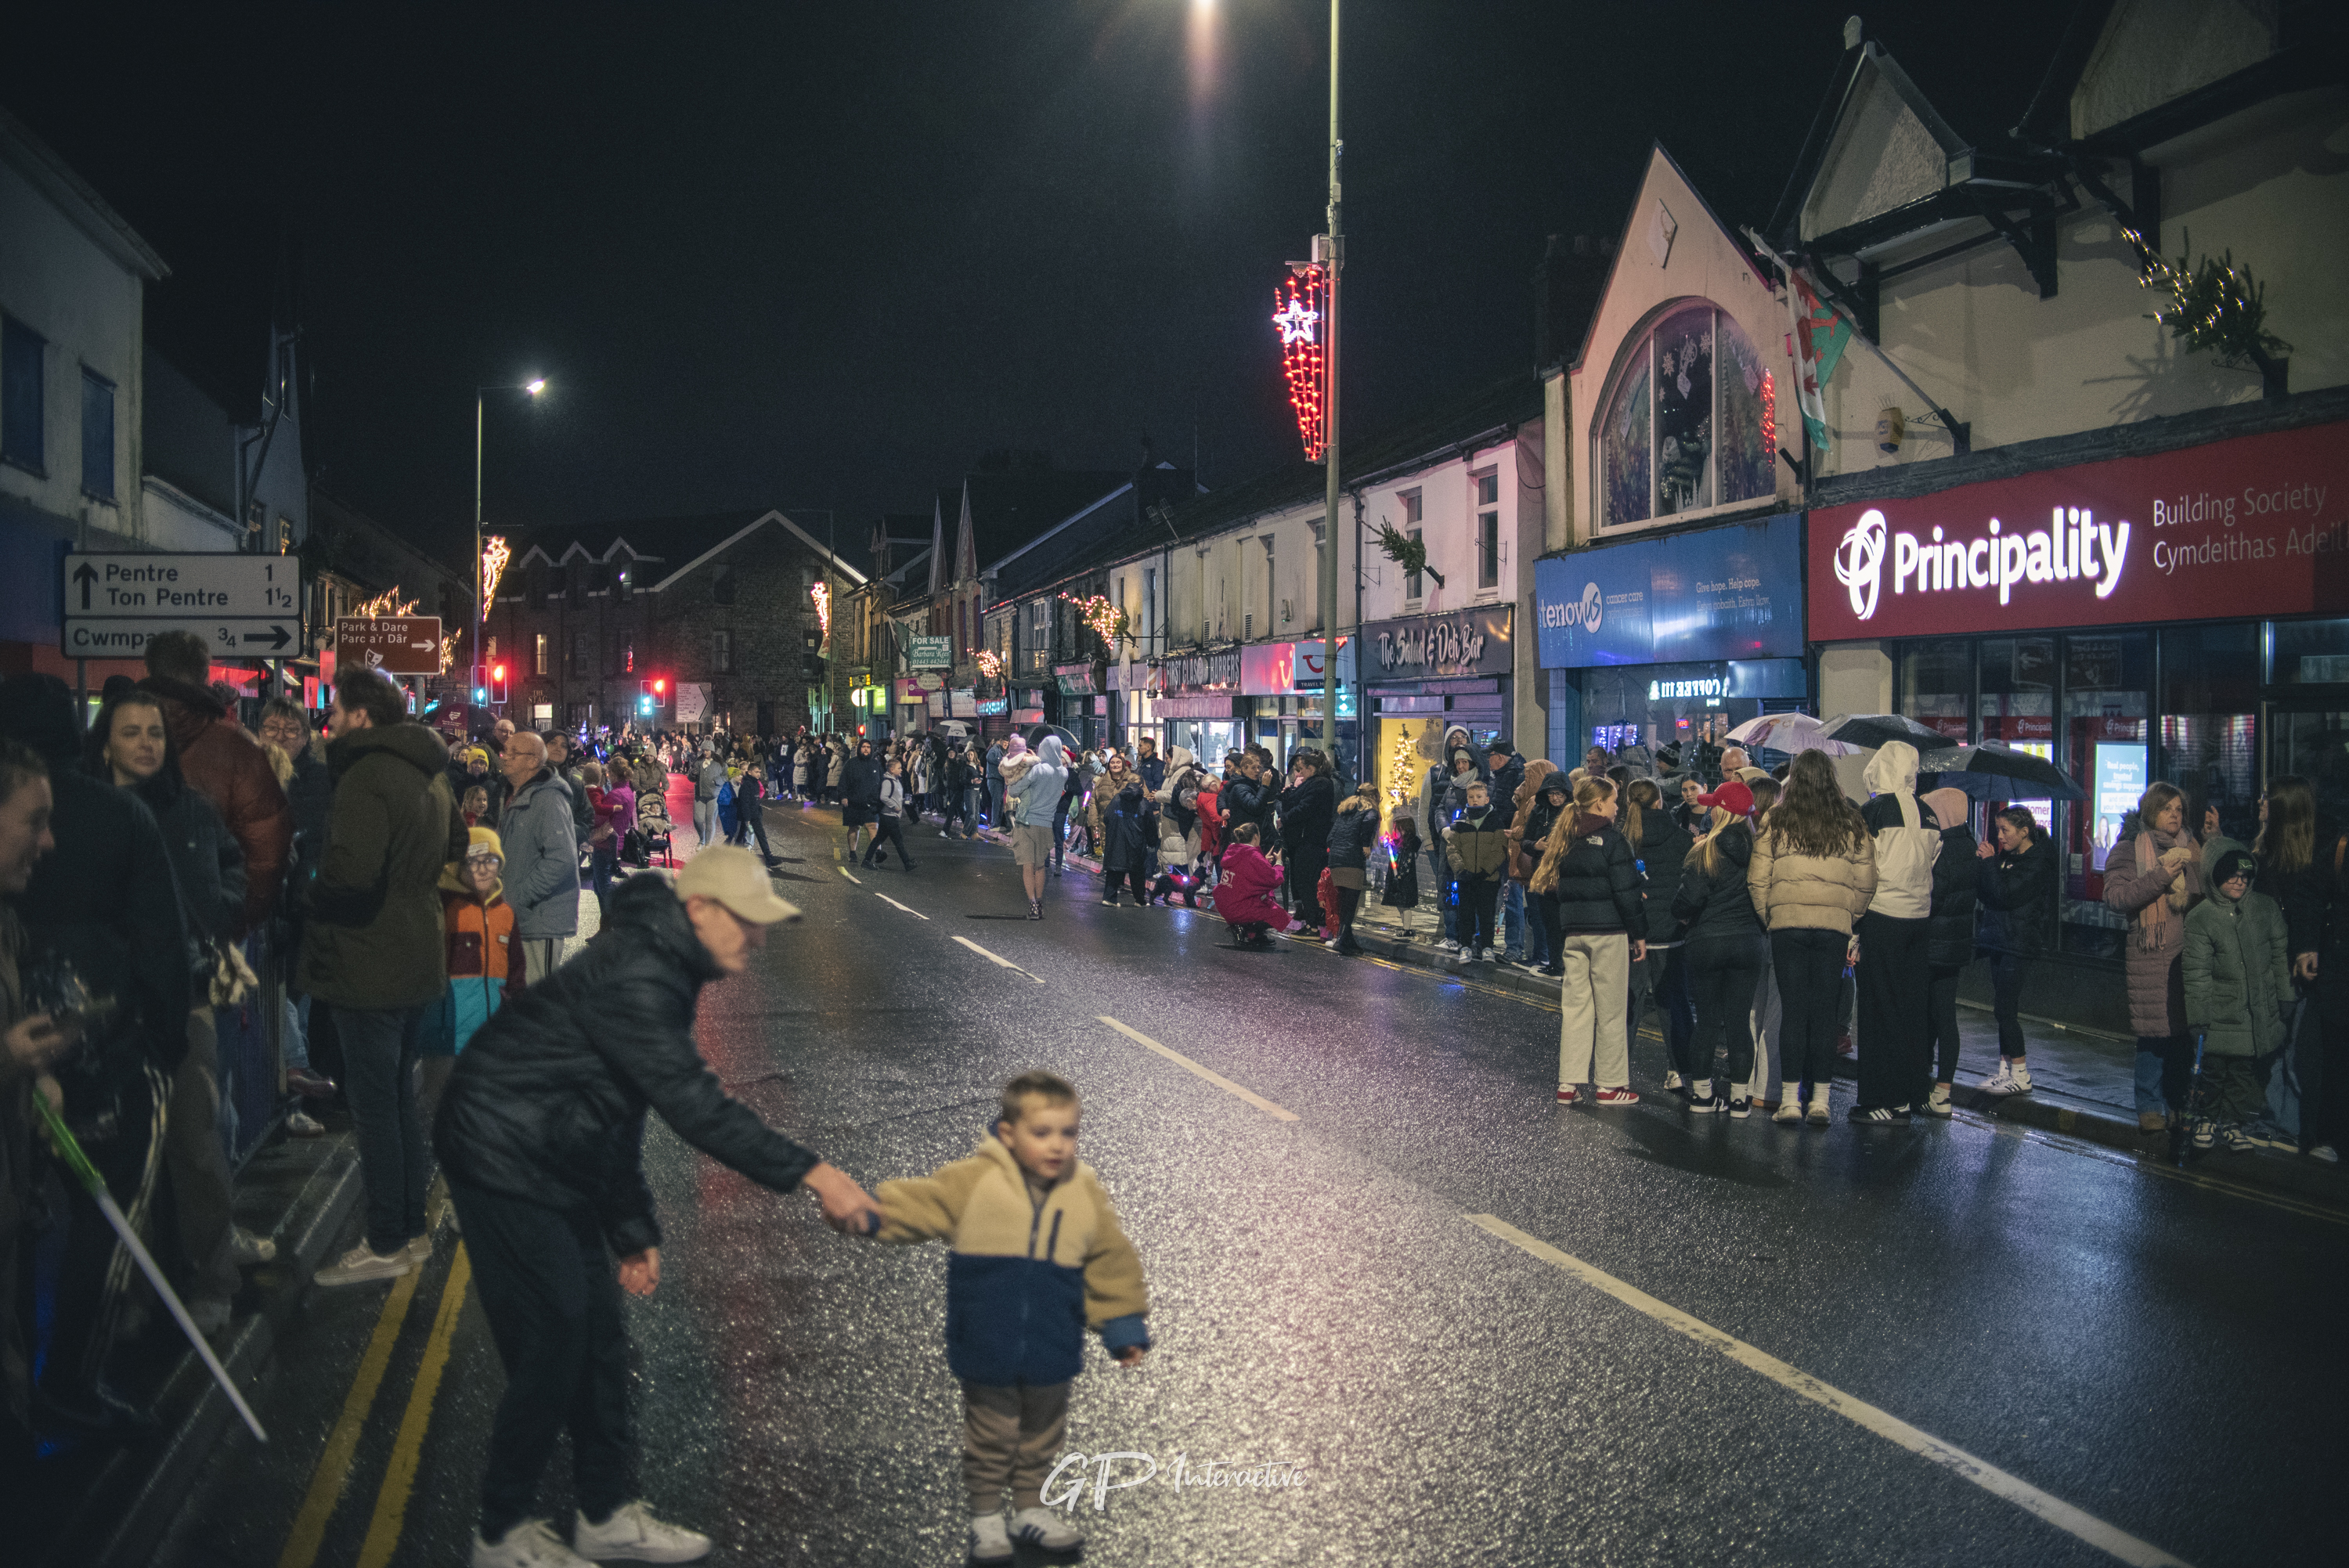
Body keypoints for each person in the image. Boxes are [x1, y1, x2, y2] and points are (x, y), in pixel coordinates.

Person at [435, 846, 880, 1568]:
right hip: (500, 1152)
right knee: (556, 1336)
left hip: (557, 1148)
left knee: (601, 1338)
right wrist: (818, 1174)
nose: (759, 937)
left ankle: (606, 1515)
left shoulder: (663, 960)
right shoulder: (641, 972)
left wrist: (630, 1227)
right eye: (747, 920)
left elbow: (614, 1107)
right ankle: (500, 1531)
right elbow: (694, 1106)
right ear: (698, 909)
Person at [871, 1069, 1147, 1563]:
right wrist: (867, 1213)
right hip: (987, 1339)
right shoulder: (974, 1181)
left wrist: (1122, 1325)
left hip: (1053, 1342)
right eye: (1042, 1133)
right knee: (991, 1437)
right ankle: (985, 1517)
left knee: (1041, 1437)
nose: (1057, 1145)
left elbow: (1111, 1260)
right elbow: (920, 1204)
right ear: (1008, 1134)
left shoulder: (1083, 1190)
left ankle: (1030, 1510)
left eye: (1068, 1132)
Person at [90, 691, 270, 1333]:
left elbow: (232, 863)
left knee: (195, 1146)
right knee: (129, 1153)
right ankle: (136, 1291)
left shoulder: (189, 806)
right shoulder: (90, 811)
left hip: (187, 996)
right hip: (115, 1005)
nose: (146, 743)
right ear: (105, 742)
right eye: (131, 732)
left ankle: (214, 1280)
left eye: (155, 733)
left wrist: (218, 912)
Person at [305, 668, 467, 1287]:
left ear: (362, 716)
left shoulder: (365, 774)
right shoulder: (430, 772)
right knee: (399, 1098)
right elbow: (456, 842)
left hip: (369, 956)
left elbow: (349, 875)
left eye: (337, 709)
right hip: (417, 948)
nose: (330, 720)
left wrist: (307, 893)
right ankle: (411, 1229)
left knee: (375, 1107)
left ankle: (385, 1239)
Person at [1748, 749, 1878, 1128]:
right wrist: (1848, 916)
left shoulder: (1776, 818)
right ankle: (1820, 1101)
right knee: (1824, 1013)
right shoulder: (1851, 821)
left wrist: (1772, 915)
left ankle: (1789, 1101)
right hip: (1832, 927)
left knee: (1793, 1012)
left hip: (1787, 925)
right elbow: (1867, 880)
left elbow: (1758, 879)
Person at [139, 629, 292, 936]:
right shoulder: (236, 751)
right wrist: (234, 920)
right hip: (210, 934)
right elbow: (268, 849)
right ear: (205, 675)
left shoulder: (116, 742)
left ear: (150, 668)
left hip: (134, 934)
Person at [1533, 774, 1645, 1105]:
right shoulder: (1613, 840)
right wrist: (1639, 933)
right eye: (1613, 802)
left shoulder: (1565, 837)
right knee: (1611, 1011)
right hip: (1608, 932)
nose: (1617, 808)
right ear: (1599, 804)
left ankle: (1568, 1084)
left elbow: (1556, 889)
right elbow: (1626, 893)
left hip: (1574, 933)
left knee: (1576, 1009)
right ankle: (1609, 1086)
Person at [2105, 781, 2206, 1134]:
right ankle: (2149, 1104)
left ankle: (2176, 1103)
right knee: (2154, 1034)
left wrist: (2213, 841)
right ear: (2151, 811)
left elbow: (2208, 891)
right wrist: (2161, 876)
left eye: (2179, 809)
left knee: (2181, 1035)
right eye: (2167, 809)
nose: (2175, 815)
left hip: (2188, 954)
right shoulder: (2130, 849)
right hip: (2151, 954)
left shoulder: (2192, 847)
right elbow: (2116, 897)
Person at [1849, 741, 1940, 1123]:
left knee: (1876, 1010)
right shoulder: (1929, 813)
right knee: (1911, 1009)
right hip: (1919, 919)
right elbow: (1933, 861)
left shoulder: (1873, 811)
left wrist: (1854, 925)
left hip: (1882, 916)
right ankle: (1911, 1093)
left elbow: (1860, 867)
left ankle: (1879, 1099)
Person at [2183, 847, 2292, 1153]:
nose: (2239, 882)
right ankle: (2207, 1120)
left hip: (2253, 1013)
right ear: (2217, 877)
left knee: (2243, 1074)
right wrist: (2198, 1017)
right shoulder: (2202, 917)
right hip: (2220, 1013)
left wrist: (2285, 996)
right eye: (2233, 876)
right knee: (2214, 1072)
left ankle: (2232, 1123)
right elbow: (2197, 974)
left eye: (2245, 876)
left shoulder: (2265, 909)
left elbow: (2279, 958)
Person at [1672, 781, 1766, 1115]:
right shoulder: (1760, 851)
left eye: (1714, 805)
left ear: (1722, 812)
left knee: (1708, 1021)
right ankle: (1740, 1099)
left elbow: (1688, 900)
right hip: (1748, 942)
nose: (1709, 810)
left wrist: (1680, 914)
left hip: (1708, 941)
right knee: (1739, 1023)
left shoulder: (1706, 850)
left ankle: (1702, 1095)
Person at [1973, 806, 2054, 1100]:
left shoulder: (2037, 862)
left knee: (2005, 1009)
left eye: (2005, 830)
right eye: (1998, 829)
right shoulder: (2006, 857)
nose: (2000, 836)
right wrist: (1984, 865)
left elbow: (2006, 895)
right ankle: (2005, 1071)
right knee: (2001, 1008)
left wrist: (1990, 864)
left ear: (2024, 831)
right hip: (1999, 939)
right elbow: (1988, 893)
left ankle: (2021, 1074)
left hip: (2018, 942)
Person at [1621, 778, 1695, 1092]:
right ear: (1659, 802)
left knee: (1628, 1003)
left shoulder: (1623, 839)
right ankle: (1679, 1070)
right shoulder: (1682, 838)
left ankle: (1617, 1072)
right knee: (1674, 1002)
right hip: (1671, 930)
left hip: (1632, 931)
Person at [1915, 786, 1980, 1117]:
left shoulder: (1946, 848)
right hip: (1954, 945)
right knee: (1942, 1015)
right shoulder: (1969, 845)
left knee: (1932, 1016)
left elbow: (1934, 894)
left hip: (1934, 942)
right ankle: (1938, 1089)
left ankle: (1933, 1088)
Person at [498, 732, 581, 987]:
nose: (505, 757)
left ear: (533, 761)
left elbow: (562, 859)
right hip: (519, 919)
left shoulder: (548, 799)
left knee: (536, 996)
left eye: (513, 753)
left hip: (538, 922)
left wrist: (518, 896)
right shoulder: (514, 795)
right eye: (505, 751)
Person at [1443, 780, 1510, 962]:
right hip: (1465, 878)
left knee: (1487, 914)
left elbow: (1499, 849)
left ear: (1486, 799)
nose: (1475, 800)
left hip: (1488, 879)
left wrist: (1485, 870)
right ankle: (1466, 946)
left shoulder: (1495, 821)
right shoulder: (1460, 822)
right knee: (1465, 914)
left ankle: (1487, 947)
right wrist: (1461, 869)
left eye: (1479, 797)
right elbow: (1452, 848)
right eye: (1471, 797)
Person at [1504, 760, 1557, 970]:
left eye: (1529, 776)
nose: (1524, 781)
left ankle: (1542, 955)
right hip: (1526, 861)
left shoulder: (1536, 801)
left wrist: (1516, 834)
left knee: (1538, 912)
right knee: (1536, 912)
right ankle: (1539, 954)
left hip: (1532, 863)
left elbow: (1529, 830)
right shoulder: (1530, 799)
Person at [1279, 748, 1337, 932]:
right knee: (1304, 882)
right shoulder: (1312, 783)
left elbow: (1304, 809)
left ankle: (1313, 924)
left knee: (1308, 882)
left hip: (1311, 840)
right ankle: (1312, 921)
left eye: (1301, 769)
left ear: (1311, 768)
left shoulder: (1320, 784)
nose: (1299, 773)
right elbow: (1293, 801)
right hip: (1304, 840)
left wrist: (1284, 819)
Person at [1519, 773, 1571, 977]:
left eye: (1559, 794)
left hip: (1566, 874)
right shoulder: (1539, 811)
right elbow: (1525, 841)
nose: (1555, 798)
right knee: (1549, 922)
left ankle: (1567, 966)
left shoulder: (1573, 812)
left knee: (1565, 923)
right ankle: (1555, 964)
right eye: (1551, 794)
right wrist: (1536, 846)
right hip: (1543, 873)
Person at [1324, 781, 1380, 956]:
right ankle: (1343, 940)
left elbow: (1330, 837)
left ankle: (1346, 939)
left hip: (1336, 861)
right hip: (1353, 861)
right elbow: (1370, 821)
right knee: (1351, 903)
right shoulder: (1371, 811)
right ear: (1373, 796)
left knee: (1344, 902)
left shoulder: (1346, 810)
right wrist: (1366, 844)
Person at [1146, 745, 1207, 909]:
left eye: (1168, 758)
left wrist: (1157, 795)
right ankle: (1176, 880)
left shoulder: (1182, 773)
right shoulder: (1171, 773)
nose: (1166, 761)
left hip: (1178, 821)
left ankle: (1190, 884)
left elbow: (1175, 794)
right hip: (1170, 820)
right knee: (1174, 852)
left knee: (1184, 854)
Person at [1093, 763, 1155, 909]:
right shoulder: (1143, 803)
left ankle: (1109, 898)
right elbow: (1150, 824)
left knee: (1115, 869)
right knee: (1137, 872)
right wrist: (1152, 841)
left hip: (1117, 840)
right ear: (1141, 785)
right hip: (1136, 842)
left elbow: (1107, 817)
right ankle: (1140, 900)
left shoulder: (1117, 799)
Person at [1215, 823, 1287, 945]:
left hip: (1224, 904)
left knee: (1261, 900)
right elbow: (1274, 880)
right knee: (1280, 916)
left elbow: (1246, 873)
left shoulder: (1232, 851)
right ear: (1255, 837)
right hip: (1239, 908)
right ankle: (1246, 929)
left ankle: (1253, 933)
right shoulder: (1253, 856)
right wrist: (1279, 863)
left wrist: (1264, 861)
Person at [864, 757, 920, 874]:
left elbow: (894, 797)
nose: (901, 770)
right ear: (891, 769)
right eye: (898, 768)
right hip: (889, 816)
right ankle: (907, 863)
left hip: (889, 815)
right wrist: (895, 806)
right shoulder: (888, 782)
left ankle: (867, 860)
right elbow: (884, 797)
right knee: (898, 841)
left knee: (878, 839)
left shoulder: (896, 781)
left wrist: (904, 801)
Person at [691, 750, 727, 848]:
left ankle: (708, 844)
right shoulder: (698, 762)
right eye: (703, 750)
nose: (705, 752)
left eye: (707, 750)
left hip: (714, 796)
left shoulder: (720, 763)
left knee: (710, 820)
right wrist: (692, 774)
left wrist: (718, 780)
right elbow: (690, 778)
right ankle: (702, 839)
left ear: (712, 750)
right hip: (700, 795)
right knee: (698, 820)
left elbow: (726, 776)